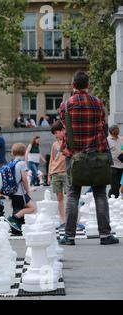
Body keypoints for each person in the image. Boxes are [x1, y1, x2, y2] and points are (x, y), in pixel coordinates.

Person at [59, 71, 119, 245]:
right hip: (97, 155)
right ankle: (105, 235)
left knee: (72, 194)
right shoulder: (98, 103)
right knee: (100, 193)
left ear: (73, 85)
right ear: (88, 85)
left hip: (75, 156)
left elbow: (64, 126)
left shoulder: (66, 105)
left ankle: (69, 236)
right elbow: (101, 124)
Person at [6, 143, 36, 232]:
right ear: (24, 152)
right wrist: (28, 190)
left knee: (18, 209)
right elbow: (24, 179)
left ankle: (16, 228)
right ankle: (12, 218)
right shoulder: (22, 163)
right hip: (20, 192)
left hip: (12, 192)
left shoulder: (11, 163)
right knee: (32, 207)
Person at [48, 121, 67, 228]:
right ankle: (62, 219)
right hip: (55, 173)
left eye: (56, 132)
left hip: (66, 173)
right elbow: (52, 159)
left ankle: (70, 219)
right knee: (59, 198)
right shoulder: (54, 145)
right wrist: (49, 174)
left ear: (62, 131)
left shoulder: (68, 142)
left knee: (70, 197)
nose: (55, 135)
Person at [107, 125, 123, 198]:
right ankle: (113, 199)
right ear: (112, 131)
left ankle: (113, 197)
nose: (117, 130)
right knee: (114, 185)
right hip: (113, 166)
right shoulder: (108, 140)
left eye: (117, 129)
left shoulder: (121, 138)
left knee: (120, 185)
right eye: (115, 129)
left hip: (121, 165)